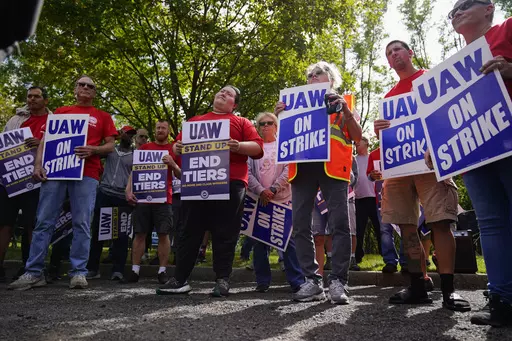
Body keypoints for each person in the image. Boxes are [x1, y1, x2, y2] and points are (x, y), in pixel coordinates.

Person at [373, 42, 470, 311]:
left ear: (410, 53)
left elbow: (448, 115)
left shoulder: (430, 80)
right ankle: (418, 283)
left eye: (398, 49)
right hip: (400, 169)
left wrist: (437, 144)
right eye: (389, 53)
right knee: (406, 225)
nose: (394, 54)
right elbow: (388, 135)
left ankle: (449, 290)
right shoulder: (389, 98)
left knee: (440, 222)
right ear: (389, 62)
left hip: (432, 164)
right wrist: (379, 129)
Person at [9, 76, 118, 290]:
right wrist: (38, 165)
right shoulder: (60, 112)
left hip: (87, 173)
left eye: (91, 86)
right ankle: (33, 272)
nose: (86, 87)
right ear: (75, 89)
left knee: (82, 223)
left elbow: (111, 146)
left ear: (94, 93)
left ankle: (78, 272)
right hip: (55, 171)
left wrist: (93, 150)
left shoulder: (103, 116)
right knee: (43, 221)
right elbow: (46, 140)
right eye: (82, 84)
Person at [440, 0, 511, 326]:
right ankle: (502, 300)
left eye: (464, 5)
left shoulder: (508, 30)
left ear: (488, 8)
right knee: (492, 224)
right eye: (452, 11)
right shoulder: (453, 65)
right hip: (476, 154)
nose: (457, 12)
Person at [157, 85, 264, 297]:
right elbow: (176, 150)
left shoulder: (241, 122)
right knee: (188, 231)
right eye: (221, 91)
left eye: (229, 93)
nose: (223, 93)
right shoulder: (193, 122)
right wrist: (176, 148)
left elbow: (258, 148)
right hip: (197, 182)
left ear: (235, 104)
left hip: (230, 182)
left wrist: (238, 146)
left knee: (225, 232)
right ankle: (180, 279)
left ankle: (222, 280)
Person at [275, 62, 362, 304]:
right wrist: (280, 115)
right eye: (309, 75)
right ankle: (311, 282)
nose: (312, 77)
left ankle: (338, 281)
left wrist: (344, 110)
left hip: (333, 170)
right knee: (301, 226)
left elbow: (357, 137)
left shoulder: (343, 103)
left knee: (340, 225)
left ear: (331, 79)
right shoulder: (293, 105)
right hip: (301, 170)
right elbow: (284, 140)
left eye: (318, 74)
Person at [247, 112, 304, 293]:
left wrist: (273, 189)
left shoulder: (284, 145)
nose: (265, 126)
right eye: (261, 123)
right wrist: (260, 190)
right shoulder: (254, 148)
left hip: (283, 199)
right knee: (259, 241)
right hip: (259, 200)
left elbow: (290, 169)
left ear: (276, 126)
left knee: (288, 241)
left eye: (269, 123)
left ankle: (296, 281)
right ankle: (262, 281)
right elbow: (246, 172)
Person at [0, 86, 51, 282]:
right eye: (29, 96)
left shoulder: (53, 121)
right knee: (4, 224)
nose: (32, 100)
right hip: (10, 180)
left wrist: (41, 143)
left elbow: (59, 149)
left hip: (38, 181)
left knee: (33, 225)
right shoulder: (15, 120)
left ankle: (30, 268)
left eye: (36, 96)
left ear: (45, 100)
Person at [124, 120, 181, 284]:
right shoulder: (144, 149)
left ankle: (162, 271)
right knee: (139, 233)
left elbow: (181, 175)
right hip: (142, 198)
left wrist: (173, 163)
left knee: (164, 235)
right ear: (154, 131)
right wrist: (128, 190)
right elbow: (134, 171)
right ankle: (135, 270)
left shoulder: (173, 149)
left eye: (164, 128)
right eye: (158, 128)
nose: (160, 130)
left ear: (168, 131)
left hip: (164, 199)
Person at [86, 126, 137, 281]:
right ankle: (93, 268)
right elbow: (94, 156)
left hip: (122, 196)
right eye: (127, 133)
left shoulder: (136, 155)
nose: (129, 136)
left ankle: (118, 270)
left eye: (131, 135)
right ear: (120, 134)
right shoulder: (109, 151)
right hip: (105, 193)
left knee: (121, 235)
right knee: (97, 233)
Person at [354, 137, 381, 265]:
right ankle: (358, 256)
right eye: (355, 143)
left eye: (359, 142)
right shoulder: (353, 159)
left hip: (375, 198)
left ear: (366, 143)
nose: (356, 144)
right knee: (359, 229)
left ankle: (385, 254)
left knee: (380, 228)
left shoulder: (373, 157)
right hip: (359, 199)